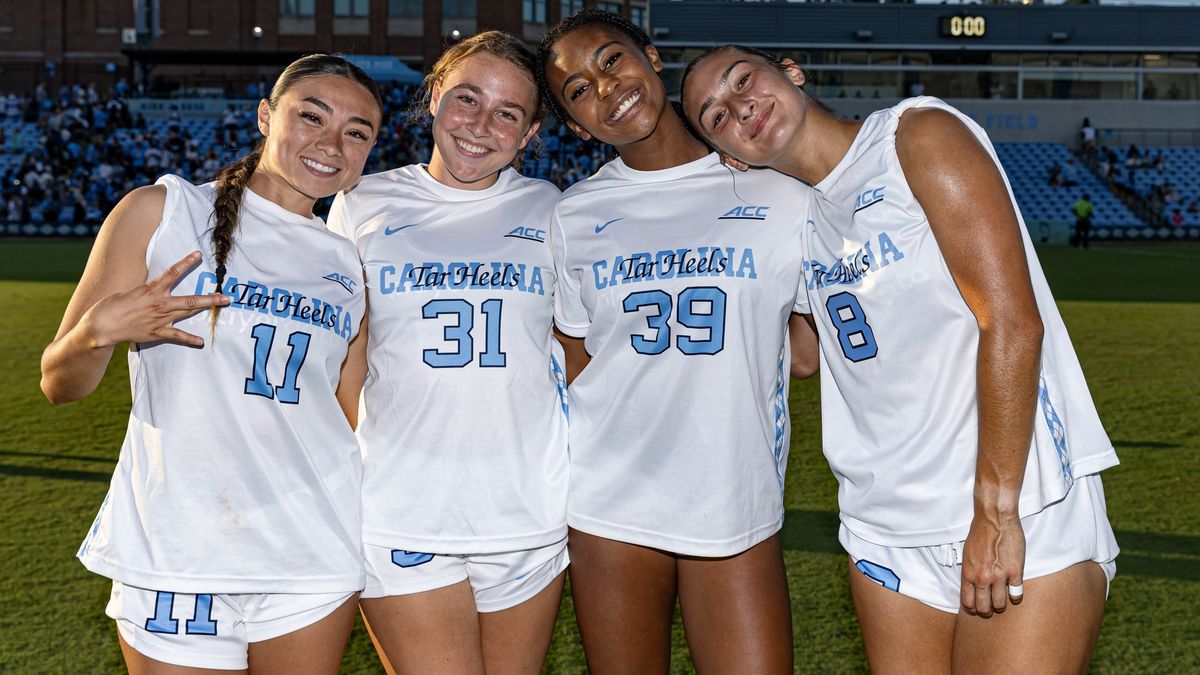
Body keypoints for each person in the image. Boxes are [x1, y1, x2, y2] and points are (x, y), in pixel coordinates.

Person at [681, 45, 1119, 674]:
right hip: (884, 523)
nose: (738, 106)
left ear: (791, 73)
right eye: (715, 115)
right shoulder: (794, 222)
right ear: (729, 156)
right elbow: (803, 356)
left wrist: (993, 514)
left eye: (742, 80)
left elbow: (1013, 322)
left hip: (1014, 501)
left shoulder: (914, 135)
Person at [39, 54, 383, 672]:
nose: (332, 143)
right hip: (178, 543)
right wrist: (97, 332)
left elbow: (352, 414)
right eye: (312, 116)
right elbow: (58, 384)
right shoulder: (162, 212)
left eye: (357, 132)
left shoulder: (348, 264)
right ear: (265, 116)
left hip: (311, 544)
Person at [537, 11, 818, 674]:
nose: (604, 87)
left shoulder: (775, 187)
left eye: (611, 61)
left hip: (732, 496)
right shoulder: (575, 214)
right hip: (610, 504)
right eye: (578, 90)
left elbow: (804, 355)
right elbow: (578, 363)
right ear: (576, 125)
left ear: (651, 57)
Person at [325, 32, 569, 674]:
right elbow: (345, 357)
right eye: (466, 98)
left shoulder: (555, 211)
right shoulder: (363, 203)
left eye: (507, 112)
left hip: (528, 510)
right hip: (404, 510)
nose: (480, 125)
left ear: (531, 131)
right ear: (434, 97)